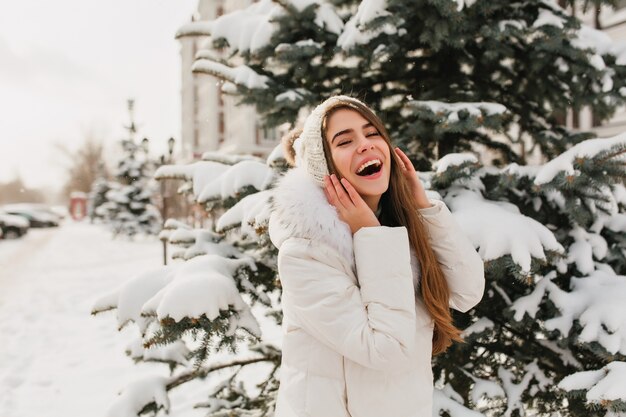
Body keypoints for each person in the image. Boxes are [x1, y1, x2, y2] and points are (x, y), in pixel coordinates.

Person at [268, 95, 485, 417]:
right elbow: (385, 350)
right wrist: (371, 236)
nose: (365, 145)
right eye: (345, 141)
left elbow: (467, 292)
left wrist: (423, 210)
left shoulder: (399, 226)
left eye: (372, 133)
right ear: (323, 167)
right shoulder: (306, 251)